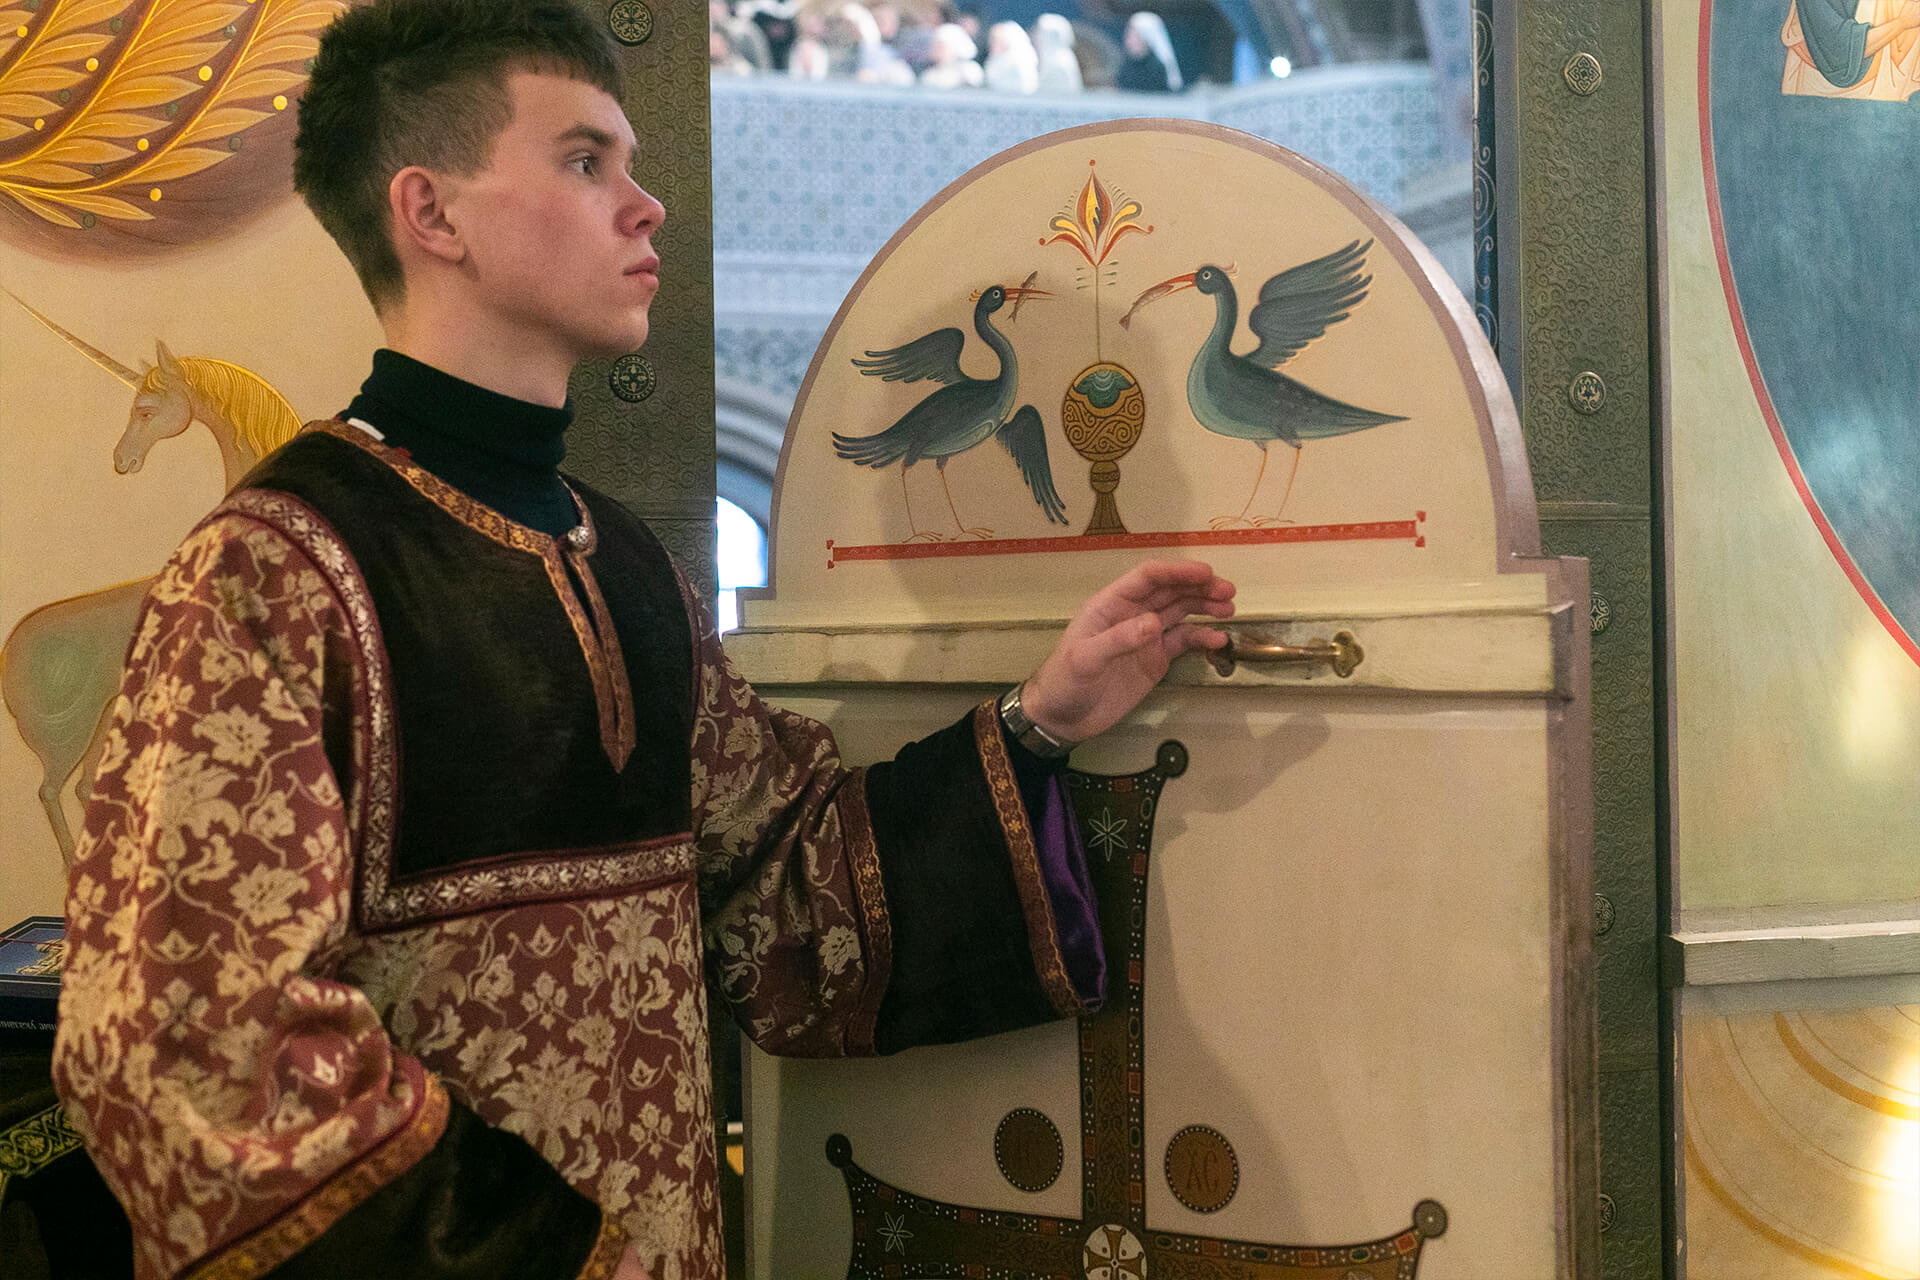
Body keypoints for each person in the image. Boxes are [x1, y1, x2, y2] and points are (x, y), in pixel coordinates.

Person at [48, 3, 1236, 1279]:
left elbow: (786, 897)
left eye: (630, 160)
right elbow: (180, 1046)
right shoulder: (274, 571)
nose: (645, 204)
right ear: (432, 213)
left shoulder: (627, 565)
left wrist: (1044, 714)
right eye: (584, 160)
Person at [1118, 10, 1183, 92]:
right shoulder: (1124, 67)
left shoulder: (1157, 69)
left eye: (1135, 37)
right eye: (1128, 36)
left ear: (1147, 39)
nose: (1129, 41)